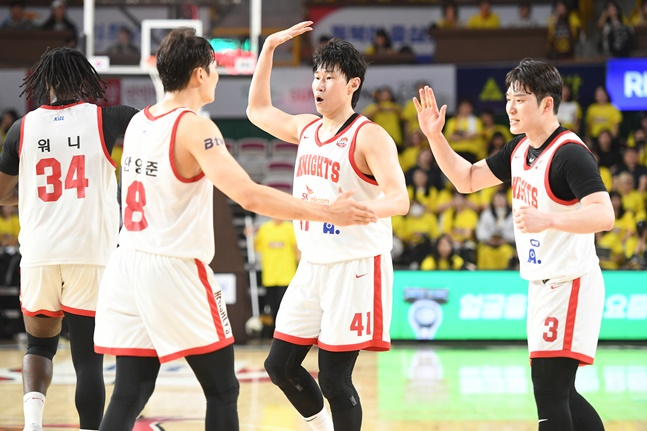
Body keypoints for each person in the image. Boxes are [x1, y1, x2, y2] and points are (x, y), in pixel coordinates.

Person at [93, 27, 378, 431]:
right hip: (173, 268)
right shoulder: (195, 128)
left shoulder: (139, 121)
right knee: (223, 391)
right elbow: (250, 196)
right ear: (199, 74)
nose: (218, 75)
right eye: (214, 68)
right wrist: (328, 212)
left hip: (126, 264)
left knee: (129, 392)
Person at [414, 58, 613, 431]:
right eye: (508, 99)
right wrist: (434, 136)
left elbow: (604, 215)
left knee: (549, 391)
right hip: (541, 286)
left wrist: (549, 219)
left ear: (547, 104)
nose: (510, 107)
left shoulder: (570, 153)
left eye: (520, 99)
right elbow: (466, 180)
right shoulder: (519, 149)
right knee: (561, 392)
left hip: (570, 283)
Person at [246, 22, 409, 431]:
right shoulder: (306, 128)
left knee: (335, 379)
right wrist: (268, 50)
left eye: (329, 78)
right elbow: (257, 111)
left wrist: (361, 211)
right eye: (316, 77)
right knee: (279, 365)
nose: (319, 85)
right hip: (313, 264)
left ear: (352, 84)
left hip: (355, 265)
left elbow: (400, 199)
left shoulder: (370, 136)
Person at [0, 47, 139, 431]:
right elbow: (158, 132)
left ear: (44, 83)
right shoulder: (109, 118)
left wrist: (32, 193)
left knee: (39, 346)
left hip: (39, 252)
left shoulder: (21, 128)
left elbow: (2, 194)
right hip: (90, 252)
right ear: (86, 81)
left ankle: (32, 424)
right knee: (88, 360)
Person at [254, 217, 299, 336]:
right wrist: (250, 234)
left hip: (287, 275)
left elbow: (297, 249)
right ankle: (272, 334)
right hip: (270, 276)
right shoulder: (264, 229)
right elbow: (256, 246)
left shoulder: (290, 228)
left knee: (286, 306)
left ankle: (288, 333)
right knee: (271, 307)